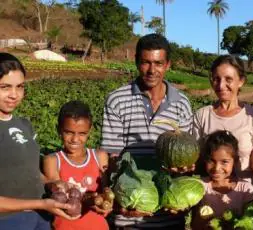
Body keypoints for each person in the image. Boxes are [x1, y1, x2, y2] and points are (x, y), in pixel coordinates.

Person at [101, 33, 193, 229]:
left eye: (158, 63)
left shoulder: (182, 103)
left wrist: (184, 169)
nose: (152, 70)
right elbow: (112, 158)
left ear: (168, 64)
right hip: (129, 216)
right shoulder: (117, 100)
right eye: (145, 62)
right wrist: (120, 202)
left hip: (169, 217)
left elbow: (186, 156)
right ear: (136, 62)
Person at [0, 52, 75, 229]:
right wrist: (39, 204)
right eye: (5, 87)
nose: (14, 94)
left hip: (40, 218)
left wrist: (51, 183)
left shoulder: (24, 125)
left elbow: (32, 172)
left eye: (20, 87)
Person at [193, 55, 253, 189]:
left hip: (245, 196)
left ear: (241, 81)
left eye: (228, 79)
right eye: (216, 79)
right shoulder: (202, 115)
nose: (221, 85)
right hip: (209, 196)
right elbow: (197, 160)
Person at [42, 100, 110, 230]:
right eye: (69, 132)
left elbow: (106, 193)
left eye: (82, 133)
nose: (75, 139)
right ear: (59, 130)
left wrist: (106, 203)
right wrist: (90, 199)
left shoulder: (99, 156)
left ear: (89, 131)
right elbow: (57, 198)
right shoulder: (52, 160)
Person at [191, 130, 253, 230]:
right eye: (211, 161)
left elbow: (251, 223)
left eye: (224, 162)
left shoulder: (245, 189)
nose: (217, 168)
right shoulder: (200, 186)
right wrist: (203, 219)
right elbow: (195, 226)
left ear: (235, 161)